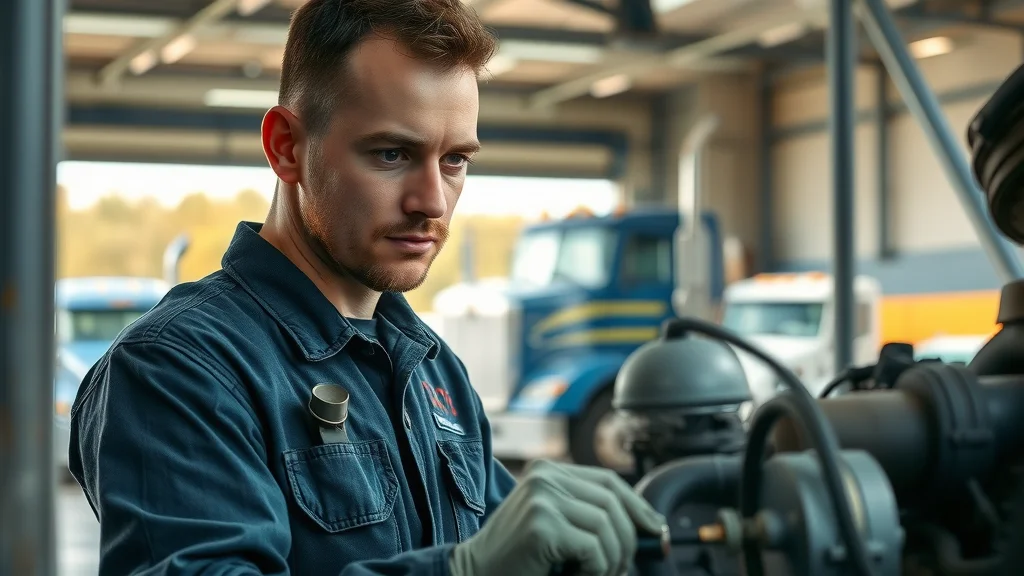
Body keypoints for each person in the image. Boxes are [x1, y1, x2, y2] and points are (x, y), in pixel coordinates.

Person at [68, 1, 668, 575]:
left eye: (455, 160)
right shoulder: (180, 369)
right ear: (286, 149)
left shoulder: (435, 371)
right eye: (391, 153)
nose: (431, 200)